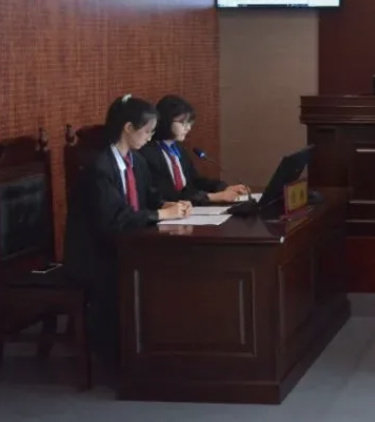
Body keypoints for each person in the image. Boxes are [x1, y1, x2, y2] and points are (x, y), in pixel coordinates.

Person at [64, 95, 191, 364]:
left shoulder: (137, 161)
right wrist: (160, 214)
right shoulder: (99, 168)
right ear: (128, 128)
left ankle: (163, 345)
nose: (149, 138)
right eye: (147, 132)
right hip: (96, 254)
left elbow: (149, 197)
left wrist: (168, 204)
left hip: (126, 244)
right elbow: (114, 220)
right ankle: (127, 355)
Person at [139, 95, 250, 205]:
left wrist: (224, 188)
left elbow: (195, 182)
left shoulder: (179, 149)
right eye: (182, 123)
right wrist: (214, 197)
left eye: (189, 123)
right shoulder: (148, 153)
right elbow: (169, 194)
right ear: (165, 121)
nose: (188, 128)